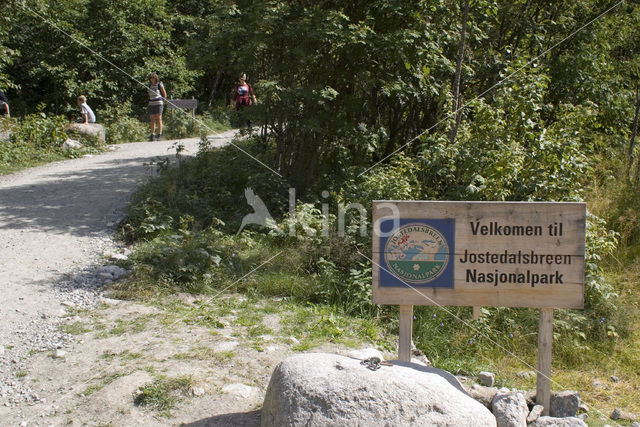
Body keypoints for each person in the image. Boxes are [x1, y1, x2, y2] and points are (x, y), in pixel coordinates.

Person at [147, 72, 167, 141]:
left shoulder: (159, 84)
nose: (152, 79)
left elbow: (164, 94)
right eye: (151, 78)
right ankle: (152, 135)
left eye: (153, 78)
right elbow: (148, 94)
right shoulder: (149, 85)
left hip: (158, 102)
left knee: (158, 118)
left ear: (156, 78)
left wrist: (163, 100)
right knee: (152, 118)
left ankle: (159, 134)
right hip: (151, 103)